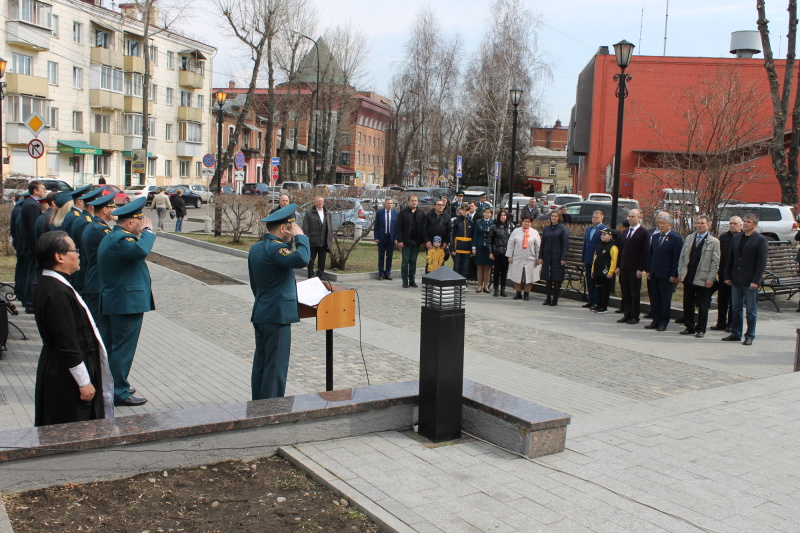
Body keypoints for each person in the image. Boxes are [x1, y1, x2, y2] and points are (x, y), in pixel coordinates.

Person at [32, 231, 114, 427]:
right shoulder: (55, 292)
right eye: (74, 250)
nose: (78, 254)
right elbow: (66, 341)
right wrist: (84, 382)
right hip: (65, 376)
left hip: (64, 367)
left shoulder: (56, 284)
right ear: (59, 257)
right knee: (73, 427)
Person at [248, 203, 310, 400]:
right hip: (278, 316)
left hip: (262, 311)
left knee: (262, 362)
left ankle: (258, 403)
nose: (295, 228)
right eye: (292, 226)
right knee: (276, 365)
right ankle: (271, 408)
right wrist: (301, 237)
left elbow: (254, 284)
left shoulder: (257, 248)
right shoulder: (277, 250)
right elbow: (302, 259)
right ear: (284, 228)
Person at [97, 197, 155, 406]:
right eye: (140, 223)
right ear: (129, 223)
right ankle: (117, 391)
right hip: (125, 304)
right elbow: (141, 251)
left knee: (115, 347)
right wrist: (149, 233)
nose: (143, 226)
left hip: (118, 301)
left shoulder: (113, 237)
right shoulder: (122, 240)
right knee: (122, 349)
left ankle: (113, 384)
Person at [722, 213, 768, 345]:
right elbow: (730, 259)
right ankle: (736, 333)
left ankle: (750, 335)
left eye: (749, 222)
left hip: (750, 281)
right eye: (745, 221)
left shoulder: (760, 240)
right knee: (735, 308)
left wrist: (756, 280)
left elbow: (761, 263)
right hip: (736, 279)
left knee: (751, 311)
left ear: (755, 225)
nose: (746, 223)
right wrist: (727, 276)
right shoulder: (736, 238)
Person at [677, 215, 720, 338]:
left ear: (708, 225)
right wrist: (681, 272)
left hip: (703, 277)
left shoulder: (714, 241)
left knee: (703, 304)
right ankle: (689, 326)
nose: (699, 225)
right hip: (689, 275)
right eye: (698, 223)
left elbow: (715, 262)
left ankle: (701, 328)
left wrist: (711, 278)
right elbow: (683, 257)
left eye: (702, 223)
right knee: (688, 303)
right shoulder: (690, 238)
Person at [81, 193, 116, 323]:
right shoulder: (101, 230)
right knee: (99, 326)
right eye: (112, 208)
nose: (114, 211)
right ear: (105, 210)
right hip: (98, 283)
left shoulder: (92, 225)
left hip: (93, 281)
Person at [644, 214, 683, 331]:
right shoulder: (655, 237)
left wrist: (674, 274)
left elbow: (677, 258)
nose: (661, 225)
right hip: (654, 273)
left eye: (663, 223)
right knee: (654, 298)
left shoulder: (675, 238)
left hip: (666, 275)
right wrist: (649, 270)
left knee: (664, 299)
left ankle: (663, 322)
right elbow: (651, 255)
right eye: (659, 223)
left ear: (670, 225)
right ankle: (655, 320)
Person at [17, 181, 48, 313]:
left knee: (31, 274)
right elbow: (33, 228)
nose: (44, 190)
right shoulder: (32, 206)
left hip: (29, 245)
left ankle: (28, 301)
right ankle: (30, 303)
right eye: (42, 188)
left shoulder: (30, 203)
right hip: (31, 246)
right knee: (32, 276)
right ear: (35, 191)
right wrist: (37, 246)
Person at [616, 209, 650, 324]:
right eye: (629, 216)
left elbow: (645, 252)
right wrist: (618, 266)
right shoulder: (625, 232)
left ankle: (635, 316)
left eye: (633, 217)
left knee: (634, 292)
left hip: (635, 268)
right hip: (624, 267)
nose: (630, 218)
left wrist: (641, 268)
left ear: (639, 218)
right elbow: (621, 250)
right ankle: (627, 313)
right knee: (625, 291)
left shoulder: (644, 232)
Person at [68, 187, 104, 296]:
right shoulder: (86, 222)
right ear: (93, 206)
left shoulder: (82, 218)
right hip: (83, 273)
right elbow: (86, 252)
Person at [711, 216, 742, 331]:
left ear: (740, 225)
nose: (732, 226)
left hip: (736, 275)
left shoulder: (742, 237)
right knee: (722, 299)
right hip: (723, 273)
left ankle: (731, 323)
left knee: (733, 301)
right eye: (731, 223)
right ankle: (721, 323)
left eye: (735, 224)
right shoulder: (723, 237)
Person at [538, 211, 569, 306]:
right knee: (548, 278)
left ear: (559, 217)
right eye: (552, 216)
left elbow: (565, 245)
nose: (554, 218)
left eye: (556, 216)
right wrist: (541, 256)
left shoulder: (562, 229)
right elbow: (542, 244)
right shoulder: (546, 228)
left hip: (557, 257)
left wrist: (563, 258)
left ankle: (555, 299)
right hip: (547, 256)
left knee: (556, 278)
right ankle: (548, 298)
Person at [394, 195, 426, 288]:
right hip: (406, 241)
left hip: (417, 241)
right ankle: (405, 281)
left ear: (418, 202)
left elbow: (423, 228)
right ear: (408, 202)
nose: (414, 202)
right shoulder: (403, 213)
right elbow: (398, 227)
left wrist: (423, 241)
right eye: (412, 201)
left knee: (413, 261)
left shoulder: (421, 213)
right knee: (405, 261)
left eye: (416, 200)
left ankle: (412, 280)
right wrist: (400, 240)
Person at [506, 215, 540, 300]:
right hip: (518, 257)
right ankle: (518, 293)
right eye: (525, 221)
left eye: (528, 222)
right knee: (517, 276)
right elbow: (510, 244)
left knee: (529, 277)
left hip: (530, 258)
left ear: (531, 223)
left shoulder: (534, 232)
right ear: (522, 222)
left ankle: (526, 294)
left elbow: (538, 246)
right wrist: (510, 256)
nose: (526, 223)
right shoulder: (516, 231)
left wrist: (538, 258)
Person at [581, 210, 608, 309]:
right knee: (589, 280)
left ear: (601, 219)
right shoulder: (589, 229)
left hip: (597, 259)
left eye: (596, 217)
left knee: (596, 281)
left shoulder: (604, 229)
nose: (594, 218)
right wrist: (583, 257)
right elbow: (585, 244)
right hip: (588, 258)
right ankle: (591, 299)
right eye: (593, 217)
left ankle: (597, 301)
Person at [301, 196, 333, 279]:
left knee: (322, 260)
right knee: (311, 260)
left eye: (321, 201)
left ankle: (320, 275)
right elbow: (305, 226)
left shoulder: (327, 213)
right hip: (312, 240)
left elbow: (330, 227)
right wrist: (305, 238)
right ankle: (310, 275)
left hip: (323, 241)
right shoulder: (309, 212)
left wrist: (329, 240)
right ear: (315, 202)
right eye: (318, 201)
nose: (320, 203)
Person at [486, 210, 514, 297]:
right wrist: (490, 252)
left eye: (504, 215)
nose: (503, 217)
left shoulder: (510, 227)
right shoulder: (494, 227)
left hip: (506, 252)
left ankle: (503, 289)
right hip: (497, 252)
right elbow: (489, 241)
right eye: (501, 215)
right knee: (497, 271)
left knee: (504, 272)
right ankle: (496, 289)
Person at [591, 228, 618, 313]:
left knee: (604, 290)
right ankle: (598, 304)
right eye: (601, 235)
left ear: (610, 236)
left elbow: (614, 260)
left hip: (605, 272)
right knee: (598, 289)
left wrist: (611, 272)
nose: (602, 236)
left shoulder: (612, 247)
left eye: (605, 235)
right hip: (598, 271)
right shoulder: (599, 245)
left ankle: (604, 306)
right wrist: (593, 270)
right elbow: (595, 258)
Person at [374, 198, 397, 280]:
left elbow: (397, 227)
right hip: (382, 237)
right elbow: (376, 226)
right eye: (388, 203)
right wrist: (376, 237)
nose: (390, 205)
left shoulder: (395, 213)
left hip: (391, 238)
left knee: (389, 256)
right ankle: (381, 273)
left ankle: (388, 273)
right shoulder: (379, 213)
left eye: (391, 203)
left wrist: (396, 238)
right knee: (381, 256)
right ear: (384, 204)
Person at [473, 208, 495, 293]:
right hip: (480, 246)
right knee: (479, 267)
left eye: (488, 212)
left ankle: (486, 286)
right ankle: (479, 286)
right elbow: (476, 235)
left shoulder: (493, 223)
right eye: (485, 212)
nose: (486, 214)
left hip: (489, 248)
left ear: (491, 214)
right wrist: (474, 247)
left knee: (487, 267)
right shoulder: (478, 222)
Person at [451, 203, 475, 280]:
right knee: (457, 266)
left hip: (467, 248)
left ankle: (463, 283)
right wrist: (452, 249)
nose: (465, 212)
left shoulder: (471, 222)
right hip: (457, 247)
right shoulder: (456, 221)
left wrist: (472, 249)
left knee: (465, 267)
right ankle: (455, 282)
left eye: (467, 210)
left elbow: (472, 236)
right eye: (463, 210)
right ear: (460, 210)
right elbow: (452, 235)